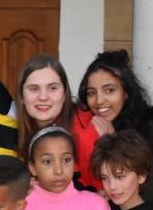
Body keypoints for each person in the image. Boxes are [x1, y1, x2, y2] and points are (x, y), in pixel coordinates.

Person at [77, 50, 153, 205]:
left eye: (109, 90)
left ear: (126, 92)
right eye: (91, 93)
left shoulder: (151, 127)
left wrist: (116, 142)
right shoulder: (88, 128)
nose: (99, 101)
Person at [15, 54, 103, 188]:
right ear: (21, 96)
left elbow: (103, 192)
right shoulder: (15, 128)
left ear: (64, 95)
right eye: (33, 89)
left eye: (53, 88)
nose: (43, 97)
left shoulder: (85, 133)